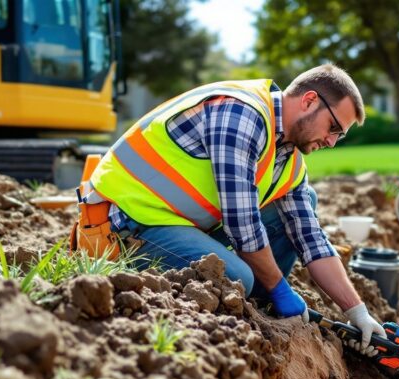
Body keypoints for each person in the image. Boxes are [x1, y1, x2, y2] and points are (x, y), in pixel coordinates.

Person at [87, 64, 383, 352]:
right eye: (333, 128)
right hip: (125, 225)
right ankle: (260, 291)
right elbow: (242, 224)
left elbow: (311, 239)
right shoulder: (242, 114)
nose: (332, 142)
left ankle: (257, 299)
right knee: (237, 274)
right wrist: (281, 289)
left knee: (303, 205)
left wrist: (356, 311)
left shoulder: (289, 160)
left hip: (176, 223)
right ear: (309, 101)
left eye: (340, 135)